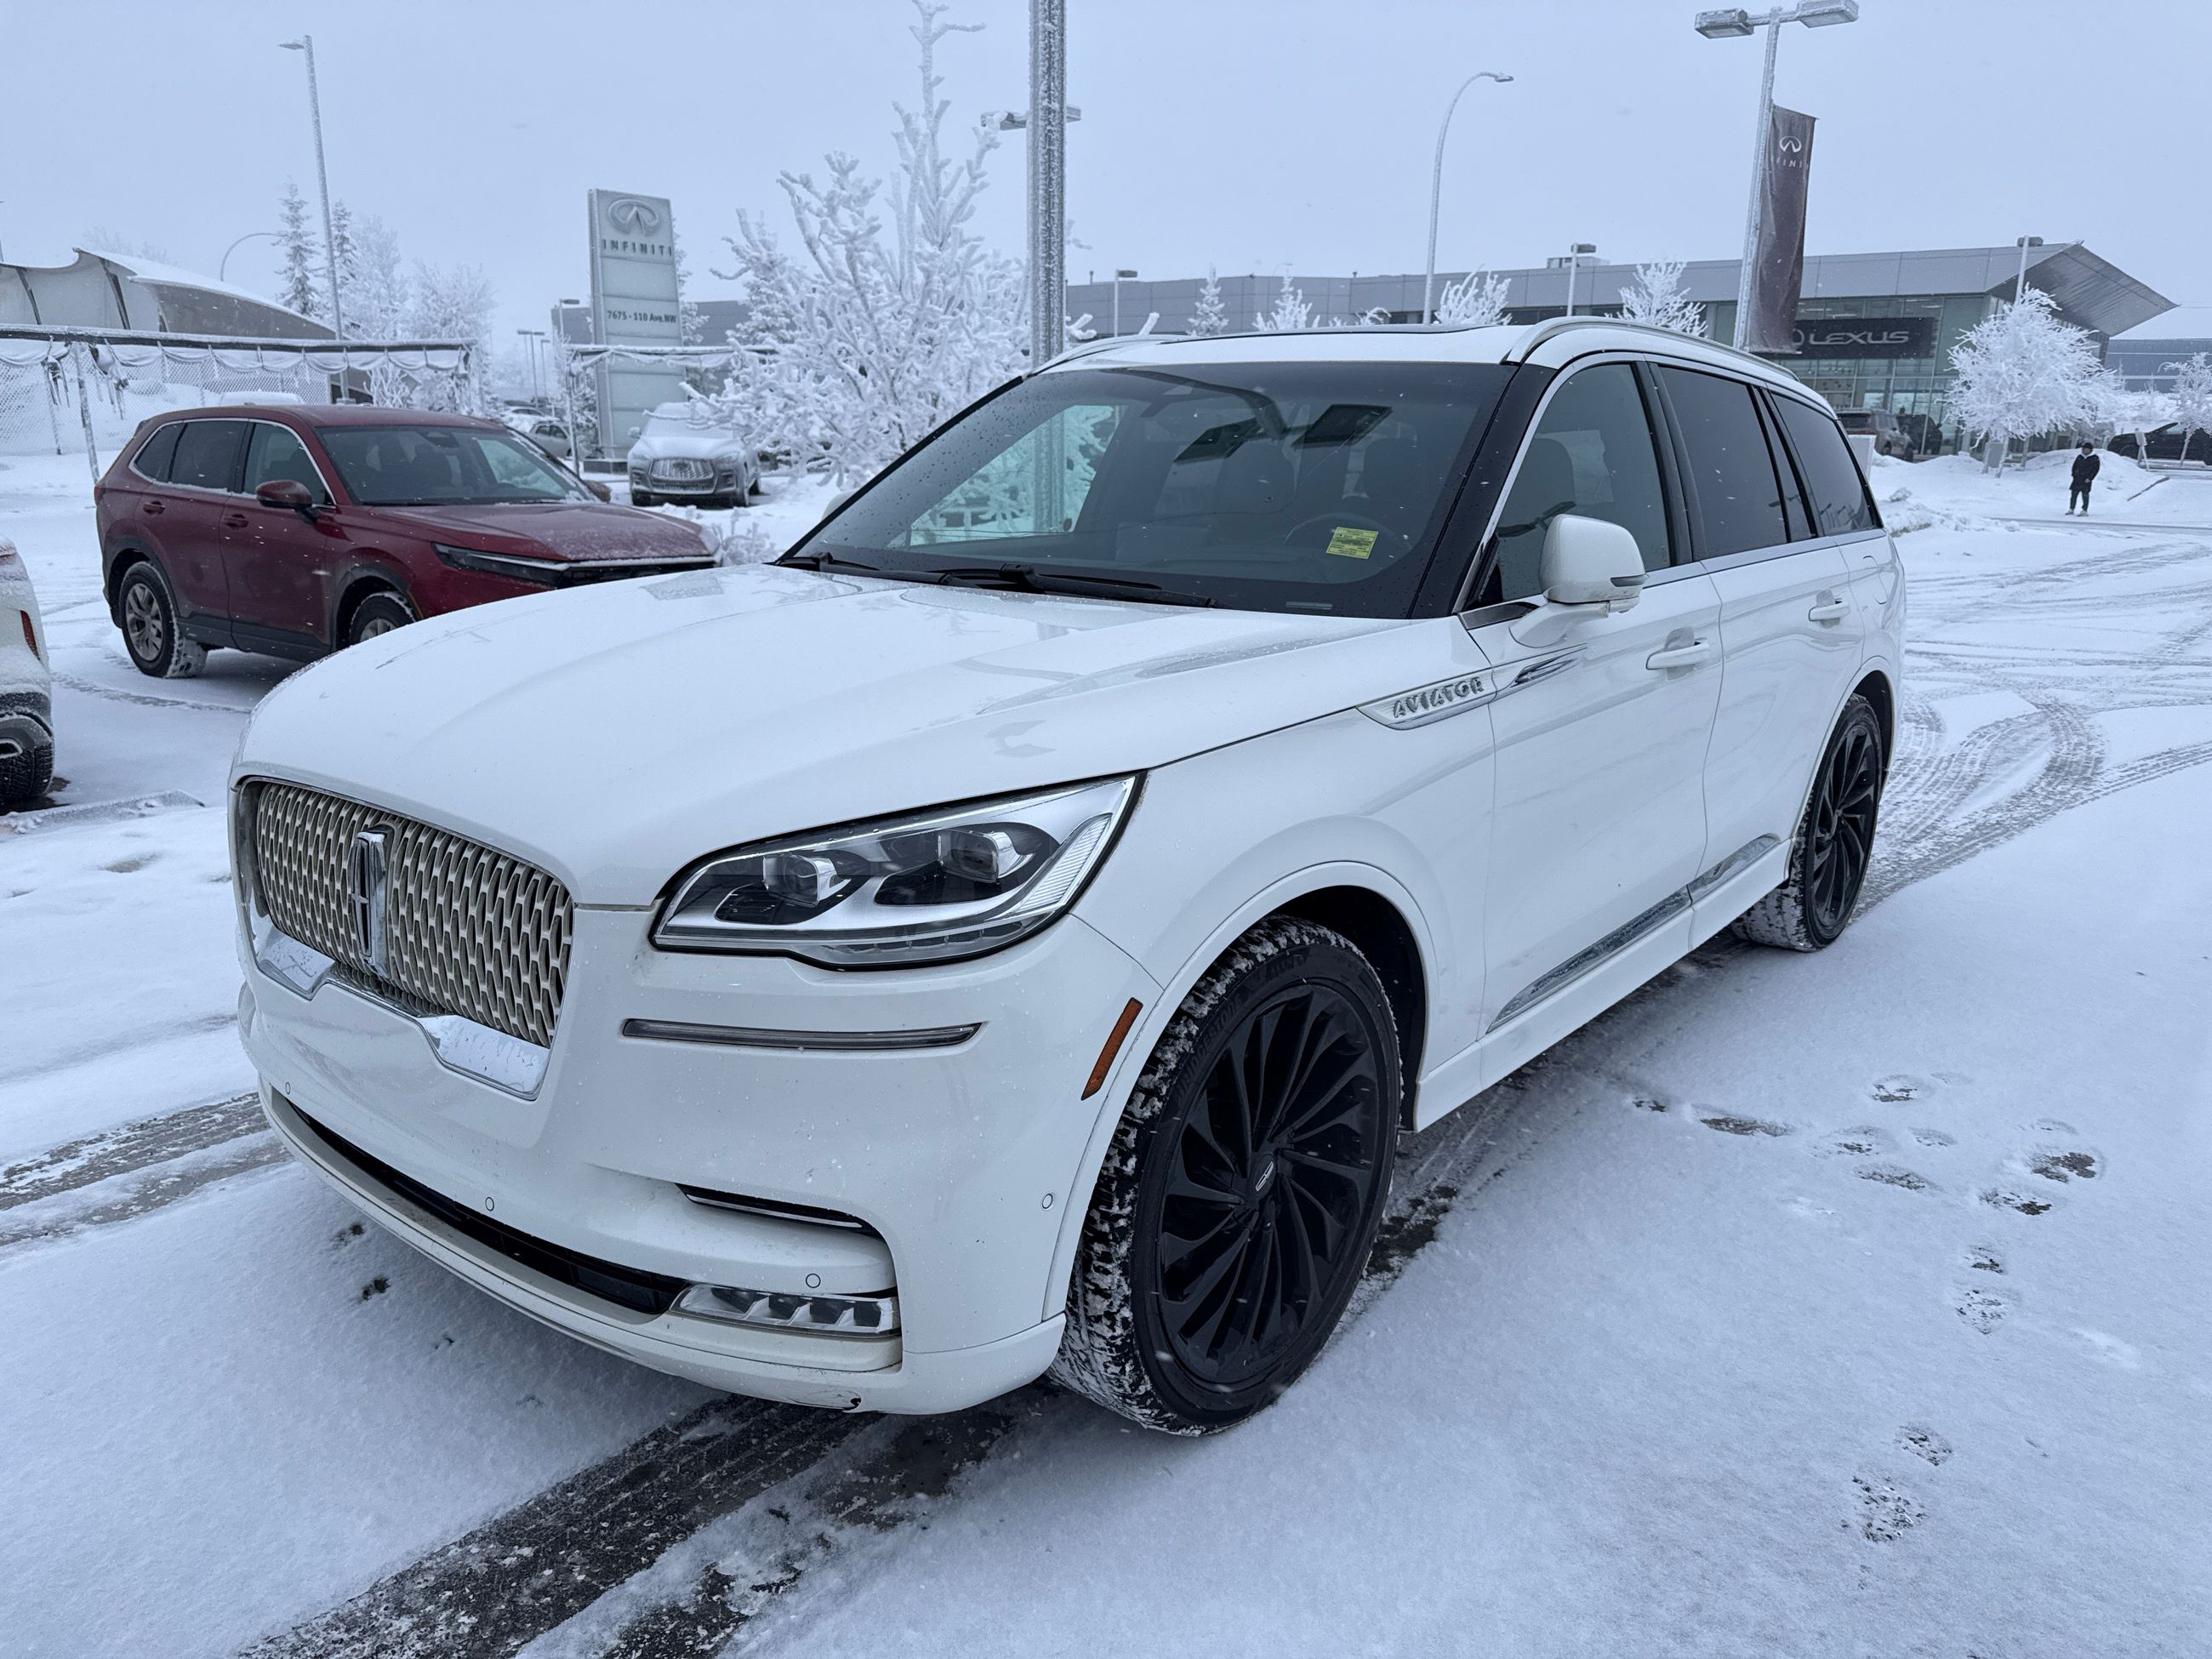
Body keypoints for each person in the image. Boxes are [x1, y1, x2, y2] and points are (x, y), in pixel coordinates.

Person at [2068, 442, 2101, 515]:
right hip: (2077, 479)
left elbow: (2095, 470)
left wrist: (2090, 478)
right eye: (2083, 449)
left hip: (2086, 480)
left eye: (2086, 449)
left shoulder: (2095, 458)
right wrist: (2074, 475)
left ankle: (2084, 510)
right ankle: (2071, 508)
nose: (2084, 451)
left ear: (2090, 450)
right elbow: (2074, 467)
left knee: (2085, 495)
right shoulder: (2080, 457)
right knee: (2073, 495)